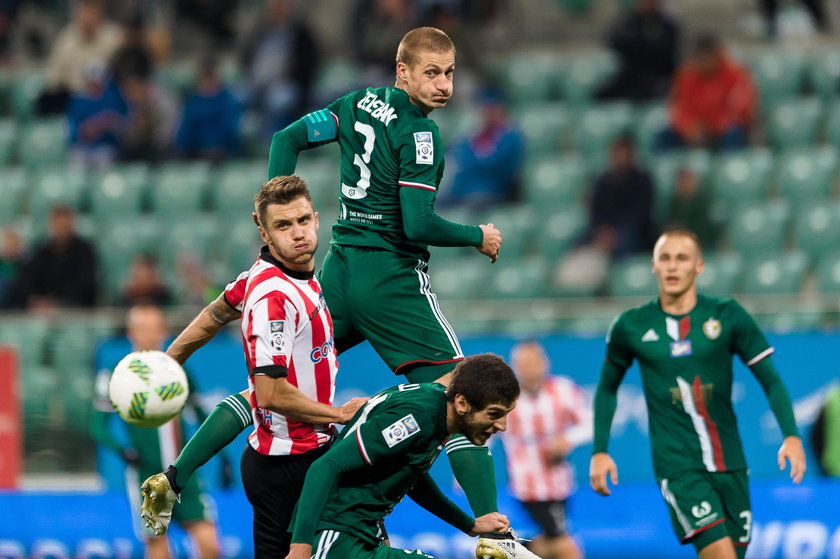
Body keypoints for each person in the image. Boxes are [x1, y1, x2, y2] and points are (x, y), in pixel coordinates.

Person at [268, 25, 532, 558]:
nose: (442, 85)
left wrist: (274, 225)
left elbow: (284, 141)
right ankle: (492, 531)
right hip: (390, 281)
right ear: (402, 72)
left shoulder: (357, 101)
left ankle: (191, 476)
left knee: (278, 381)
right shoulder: (422, 134)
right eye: (430, 73)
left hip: (339, 274)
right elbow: (416, 223)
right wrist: (477, 235)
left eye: (450, 73)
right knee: (464, 390)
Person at [140, 175, 367, 558]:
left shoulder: (266, 274)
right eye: (282, 225)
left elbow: (216, 312)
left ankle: (173, 479)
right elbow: (270, 393)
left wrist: (169, 360)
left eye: (302, 221)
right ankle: (175, 478)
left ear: (315, 217)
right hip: (294, 463)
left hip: (284, 459)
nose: (297, 233)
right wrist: (338, 412)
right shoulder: (273, 297)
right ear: (262, 229)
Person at [589, 230, 807, 559]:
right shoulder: (631, 325)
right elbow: (607, 388)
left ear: (699, 266)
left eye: (682, 258)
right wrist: (599, 450)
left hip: (731, 462)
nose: (673, 266)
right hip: (679, 466)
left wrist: (791, 435)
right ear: (653, 266)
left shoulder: (727, 315)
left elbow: (771, 380)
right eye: (665, 258)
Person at [286, 353, 521, 559]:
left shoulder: (436, 411)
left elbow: (412, 477)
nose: (502, 426)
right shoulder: (415, 418)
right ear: (462, 403)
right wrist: (301, 547)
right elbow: (325, 466)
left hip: (360, 533)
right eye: (494, 414)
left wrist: (470, 525)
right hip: (334, 536)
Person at [90, 305, 220, 559]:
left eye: (154, 329)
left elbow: (204, 416)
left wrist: (219, 452)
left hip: (184, 470)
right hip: (148, 475)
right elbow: (97, 425)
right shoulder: (116, 374)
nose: (148, 335)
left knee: (210, 545)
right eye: (142, 329)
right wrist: (124, 451)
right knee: (159, 548)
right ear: (130, 332)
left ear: (164, 331)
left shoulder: (177, 369)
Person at [500, 341, 591, 559]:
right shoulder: (506, 398)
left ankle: (510, 552)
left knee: (548, 542)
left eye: (533, 363)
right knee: (566, 546)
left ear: (545, 363)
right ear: (515, 368)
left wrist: (567, 439)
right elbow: (484, 435)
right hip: (526, 486)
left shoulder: (563, 390)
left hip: (559, 484)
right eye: (523, 364)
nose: (529, 370)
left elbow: (589, 424)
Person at [655, 34, 757, 153]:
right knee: (664, 135)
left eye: (708, 56)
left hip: (723, 130)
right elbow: (678, 106)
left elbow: (741, 109)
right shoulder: (686, 75)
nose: (705, 61)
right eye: (700, 57)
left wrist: (712, 125)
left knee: (734, 133)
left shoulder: (735, 73)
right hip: (695, 130)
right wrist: (689, 126)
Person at [443, 85, 525, 211]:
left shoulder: (510, 136)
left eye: (491, 109)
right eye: (484, 110)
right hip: (463, 191)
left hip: (493, 191)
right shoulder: (474, 135)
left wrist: (476, 157)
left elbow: (496, 167)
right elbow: (459, 156)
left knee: (470, 207)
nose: (486, 114)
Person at [578, 134, 656, 260]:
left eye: (624, 153)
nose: (621, 157)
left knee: (626, 243)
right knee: (578, 242)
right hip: (604, 230)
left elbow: (641, 214)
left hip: (631, 231)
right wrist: (602, 230)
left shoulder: (642, 180)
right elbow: (596, 211)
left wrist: (615, 233)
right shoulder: (603, 181)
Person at [38, 0, 123, 114]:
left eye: (92, 11)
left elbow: (121, 74)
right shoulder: (66, 38)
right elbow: (54, 79)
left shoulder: (114, 38)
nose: (87, 17)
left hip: (103, 97)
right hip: (72, 96)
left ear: (100, 14)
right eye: (83, 11)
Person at [597, 0, 680, 102]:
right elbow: (615, 41)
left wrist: (639, 47)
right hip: (631, 76)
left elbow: (665, 52)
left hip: (658, 77)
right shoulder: (628, 22)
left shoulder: (668, 26)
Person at [21, 205, 98, 309]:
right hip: (45, 311)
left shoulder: (84, 251)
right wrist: (37, 300)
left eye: (64, 225)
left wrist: (57, 302)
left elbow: (86, 285)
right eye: (58, 225)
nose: (61, 229)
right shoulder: (42, 252)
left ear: (71, 224)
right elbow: (29, 280)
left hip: (76, 308)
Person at [175, 58, 242, 162]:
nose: (207, 84)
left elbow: (229, 131)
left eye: (210, 79)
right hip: (195, 152)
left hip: (222, 153)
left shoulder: (228, 101)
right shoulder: (193, 102)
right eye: (204, 80)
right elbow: (185, 132)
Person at [810, 385, 840, 477]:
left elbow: (815, 436)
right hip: (834, 472)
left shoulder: (834, 396)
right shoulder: (834, 398)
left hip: (833, 471)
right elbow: (816, 436)